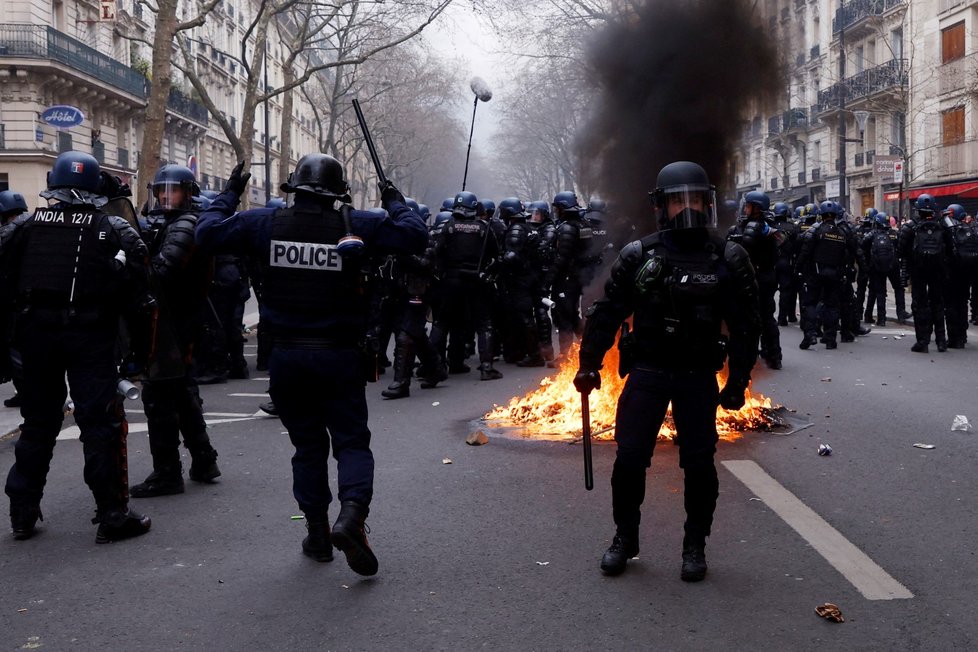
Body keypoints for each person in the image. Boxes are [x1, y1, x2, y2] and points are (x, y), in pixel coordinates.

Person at [196, 155, 427, 576]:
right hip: (339, 355)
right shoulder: (359, 225)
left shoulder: (263, 223)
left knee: (307, 447)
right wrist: (395, 200)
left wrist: (228, 194)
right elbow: (416, 235)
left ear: (293, 187)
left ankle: (318, 535)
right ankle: (352, 516)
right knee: (352, 443)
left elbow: (206, 233)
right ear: (339, 192)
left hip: (286, 356)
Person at [574, 161, 760, 581]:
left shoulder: (728, 257)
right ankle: (625, 537)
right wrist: (588, 365)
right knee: (629, 459)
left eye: (696, 199)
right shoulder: (640, 254)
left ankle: (695, 544)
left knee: (698, 464)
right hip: (649, 370)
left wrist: (738, 381)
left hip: (696, 376)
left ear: (708, 202)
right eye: (679, 201)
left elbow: (748, 325)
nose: (688, 208)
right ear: (662, 206)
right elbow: (607, 313)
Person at [2, 151, 154, 542]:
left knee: (38, 423)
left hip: (36, 337)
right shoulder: (114, 227)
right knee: (99, 424)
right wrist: (137, 353)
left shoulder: (23, 226)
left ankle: (22, 511)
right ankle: (112, 515)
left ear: (53, 184)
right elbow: (141, 294)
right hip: (91, 337)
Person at [130, 165, 221, 498]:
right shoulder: (168, 222)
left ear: (188, 193)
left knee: (158, 393)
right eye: (161, 190)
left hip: (176, 321)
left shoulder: (187, 223)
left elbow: (162, 272)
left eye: (174, 190)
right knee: (180, 390)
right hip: (172, 319)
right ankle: (204, 459)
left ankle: (167, 472)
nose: (166, 196)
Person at [429, 191, 504, 380]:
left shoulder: (448, 227)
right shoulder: (483, 228)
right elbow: (497, 255)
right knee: (483, 323)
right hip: (476, 282)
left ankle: (432, 366)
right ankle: (487, 367)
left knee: (443, 322)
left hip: (451, 281)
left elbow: (435, 252)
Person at [726, 191, 783, 369]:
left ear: (755, 207)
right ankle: (773, 355)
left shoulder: (754, 228)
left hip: (754, 278)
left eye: (748, 205)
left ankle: (755, 355)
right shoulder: (770, 228)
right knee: (766, 317)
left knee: (751, 318)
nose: (745, 208)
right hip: (766, 277)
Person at [795, 201, 858, 350]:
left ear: (821, 215)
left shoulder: (815, 231)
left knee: (810, 303)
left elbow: (805, 251)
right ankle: (830, 339)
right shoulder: (842, 233)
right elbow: (851, 253)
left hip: (815, 274)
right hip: (835, 275)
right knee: (832, 306)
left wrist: (798, 269)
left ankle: (810, 334)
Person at [898, 194, 952, 353]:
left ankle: (922, 341)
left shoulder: (910, 227)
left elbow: (900, 250)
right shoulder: (942, 225)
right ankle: (941, 341)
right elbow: (951, 249)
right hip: (938, 271)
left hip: (918, 271)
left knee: (919, 305)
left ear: (917, 210)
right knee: (938, 304)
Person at [943, 204, 978, 348]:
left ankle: (953, 338)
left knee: (951, 305)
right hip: (967, 273)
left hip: (952, 273)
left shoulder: (950, 231)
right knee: (963, 303)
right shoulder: (972, 230)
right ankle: (962, 336)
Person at [861, 212, 900, 326]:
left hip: (874, 267)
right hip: (889, 266)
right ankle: (880, 316)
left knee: (877, 291)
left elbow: (862, 245)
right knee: (882, 291)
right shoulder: (892, 234)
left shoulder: (872, 234)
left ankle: (877, 317)